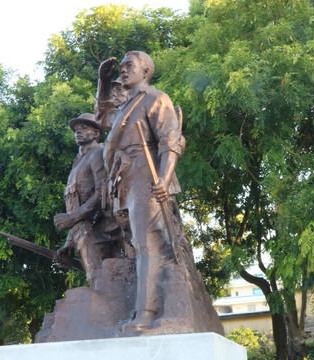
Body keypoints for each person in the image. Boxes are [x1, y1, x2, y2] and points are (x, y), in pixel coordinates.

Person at [96, 51, 185, 331]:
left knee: (149, 244)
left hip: (146, 175)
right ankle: (140, 308)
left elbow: (171, 140)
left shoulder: (155, 98)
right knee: (137, 245)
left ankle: (146, 313)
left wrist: (164, 178)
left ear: (145, 71)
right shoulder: (124, 106)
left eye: (129, 67)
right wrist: (102, 81)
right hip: (124, 179)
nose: (123, 71)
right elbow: (102, 118)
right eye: (121, 67)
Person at [54, 113, 121, 287]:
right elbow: (75, 204)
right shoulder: (77, 163)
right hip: (81, 231)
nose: (78, 132)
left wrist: (73, 218)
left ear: (96, 134)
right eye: (76, 129)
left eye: (84, 128)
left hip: (99, 230)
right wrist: (69, 243)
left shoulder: (97, 154)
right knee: (96, 281)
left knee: (100, 281)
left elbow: (102, 192)